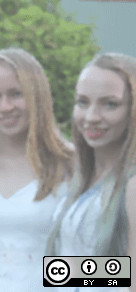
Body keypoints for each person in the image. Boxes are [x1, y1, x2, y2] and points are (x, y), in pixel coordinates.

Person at [0, 47, 73, 291]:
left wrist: (45, 272)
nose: (5, 106)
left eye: (16, 93)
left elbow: (113, 269)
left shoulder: (72, 163)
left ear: (37, 95)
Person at [46, 53, 136, 292]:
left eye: (110, 104)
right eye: (83, 102)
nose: (92, 117)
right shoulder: (84, 177)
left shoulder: (132, 186)